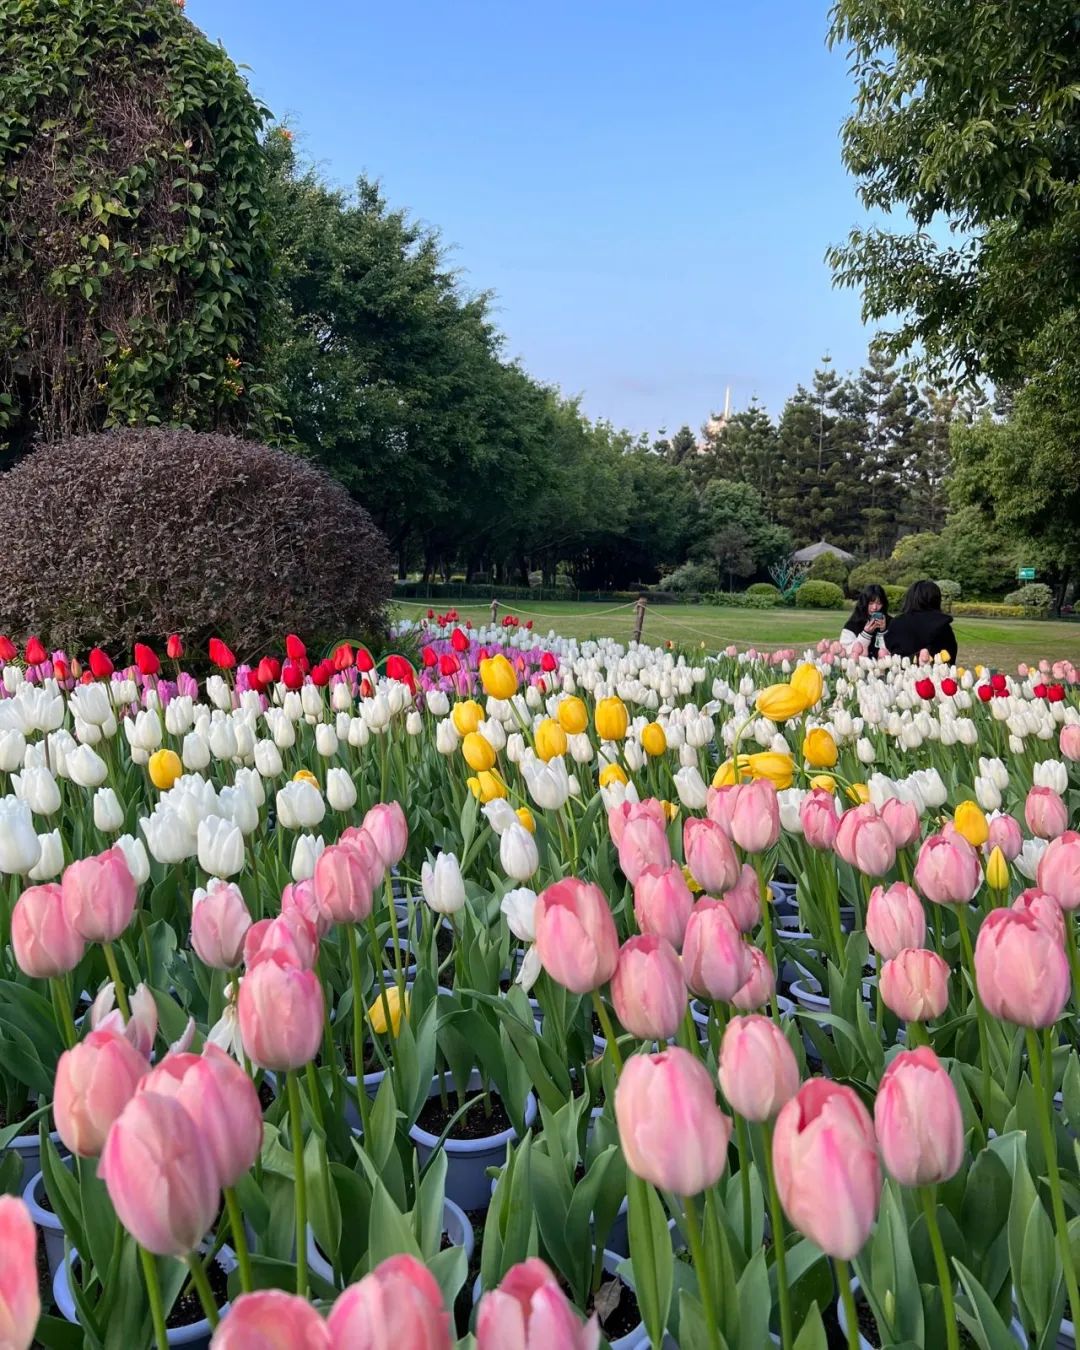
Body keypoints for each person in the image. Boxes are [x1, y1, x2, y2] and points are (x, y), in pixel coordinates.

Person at [884, 579, 958, 663]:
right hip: (933, 672)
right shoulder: (942, 625)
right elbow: (950, 655)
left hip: (902, 671)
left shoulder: (896, 623)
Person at [839, 585, 890, 658]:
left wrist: (883, 631)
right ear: (864, 603)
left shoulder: (891, 622)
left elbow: (893, 650)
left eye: (879, 603)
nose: (874, 607)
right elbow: (845, 652)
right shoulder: (852, 624)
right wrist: (866, 634)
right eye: (871, 603)